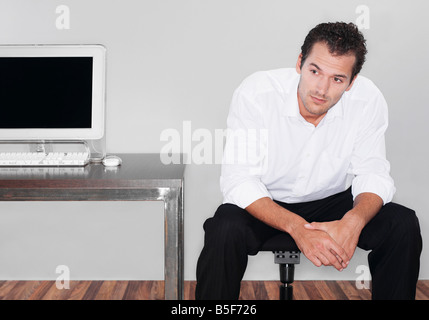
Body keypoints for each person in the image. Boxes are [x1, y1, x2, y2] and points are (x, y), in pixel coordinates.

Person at [195, 22, 422, 300]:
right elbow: (239, 181)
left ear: (352, 82)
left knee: (402, 224)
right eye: (315, 71)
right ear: (300, 63)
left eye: (338, 79)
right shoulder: (257, 93)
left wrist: (354, 220)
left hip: (334, 201)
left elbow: (372, 172)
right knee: (224, 228)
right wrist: (297, 228)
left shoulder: (368, 99)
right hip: (268, 201)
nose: (322, 89)